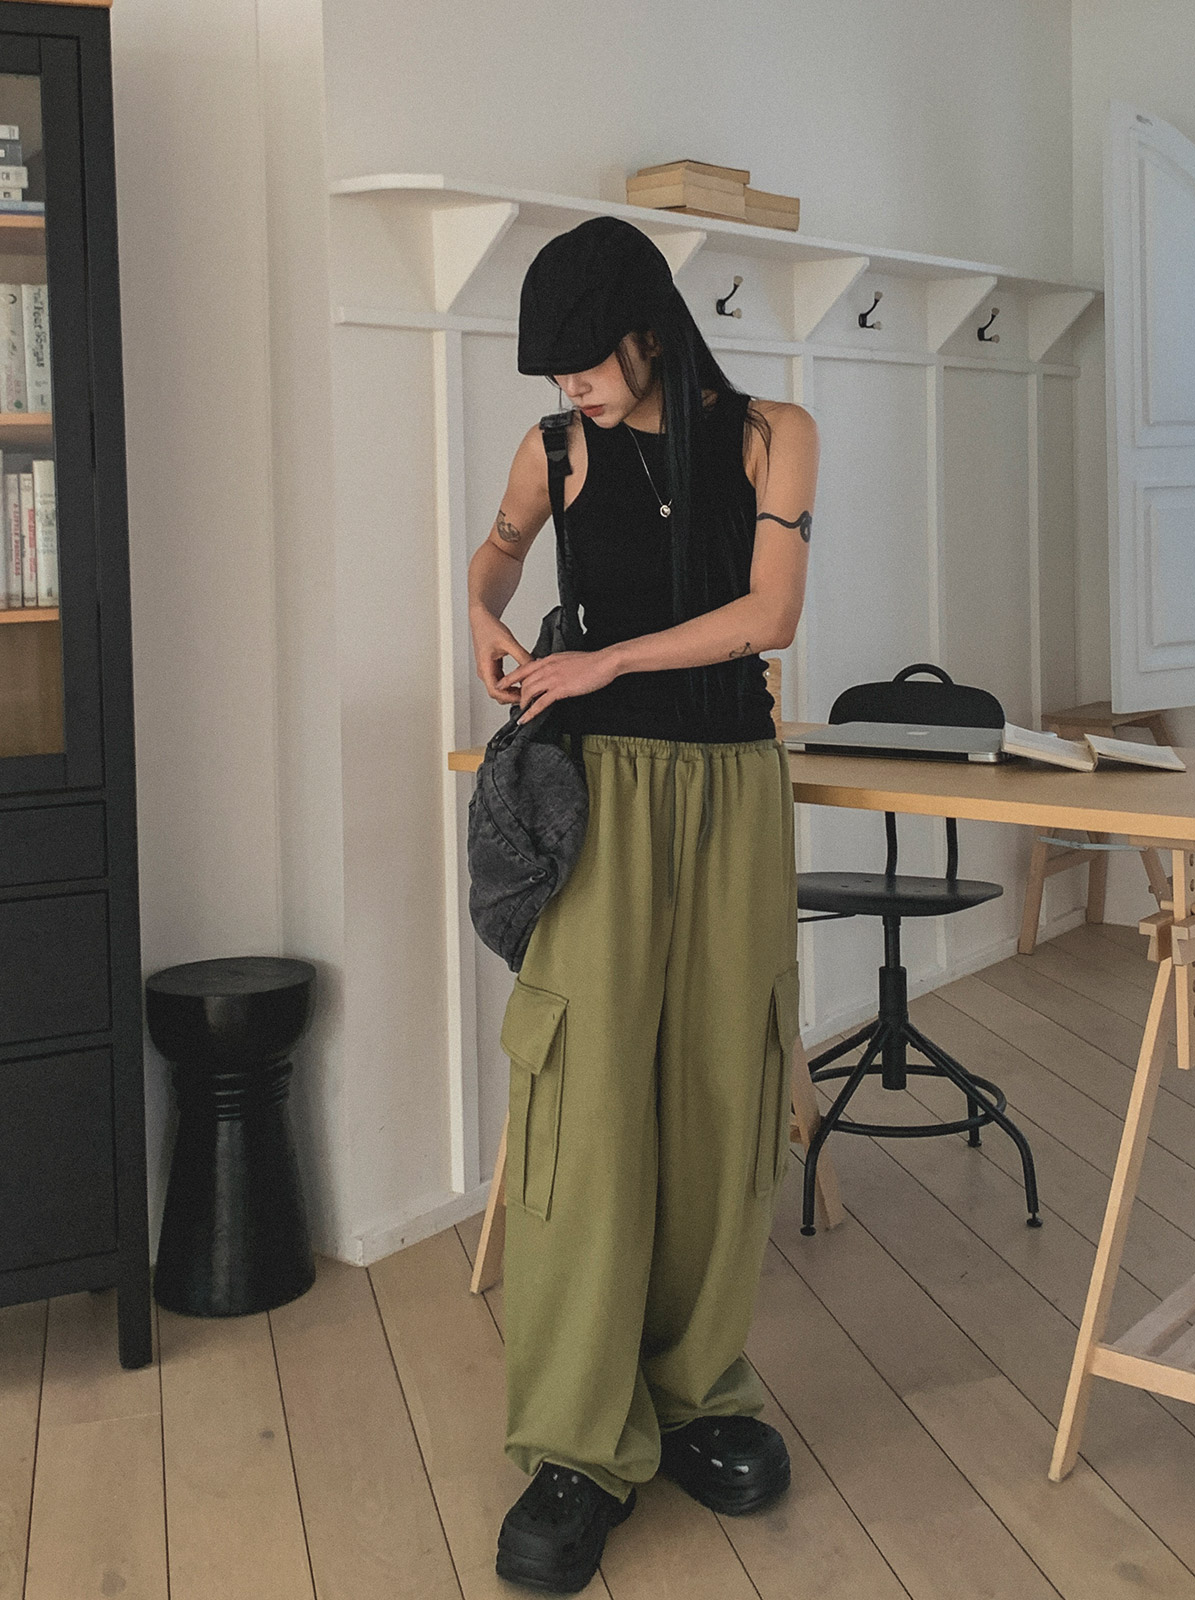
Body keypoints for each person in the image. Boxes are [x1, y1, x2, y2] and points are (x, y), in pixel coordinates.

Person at [467, 214, 817, 1595]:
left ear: (646, 331)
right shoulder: (552, 454)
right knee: (586, 1102)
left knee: (724, 1091)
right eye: (555, 376)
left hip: (733, 785)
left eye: (583, 365)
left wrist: (605, 662)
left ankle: (699, 1394)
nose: (571, 391)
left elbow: (769, 618)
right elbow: (497, 561)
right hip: (598, 798)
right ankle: (574, 1443)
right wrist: (482, 617)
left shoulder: (773, 437)